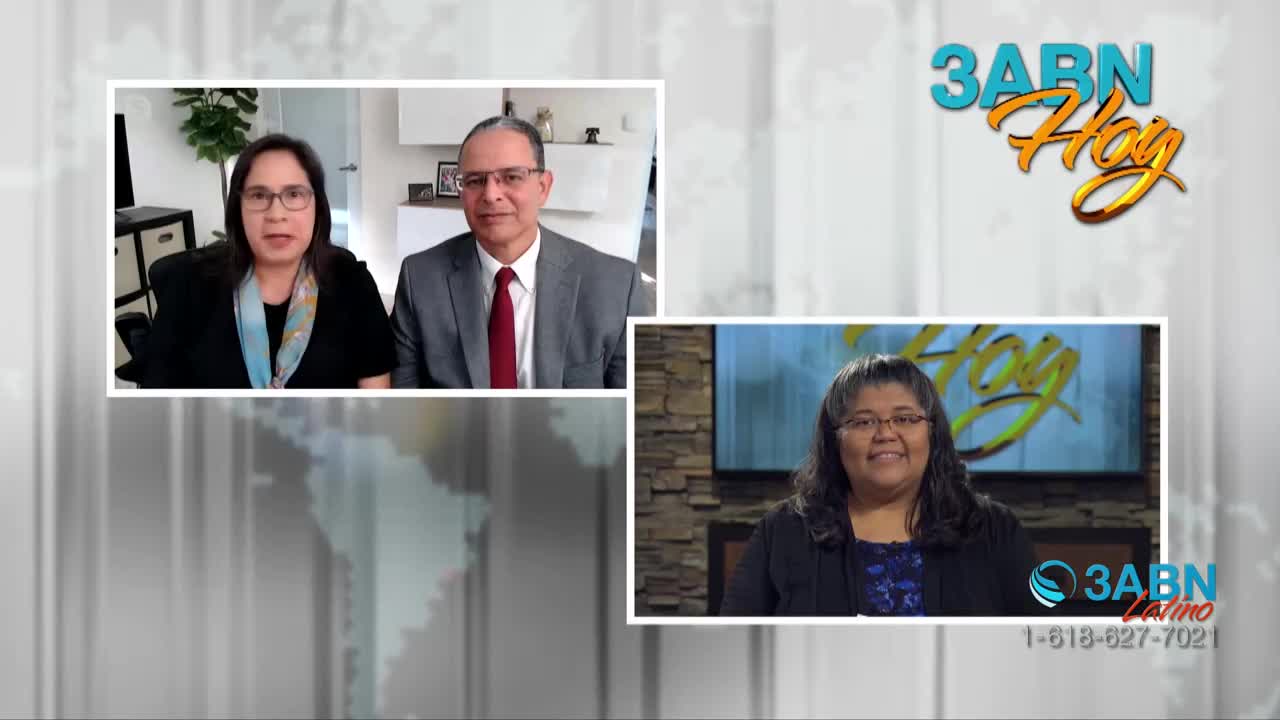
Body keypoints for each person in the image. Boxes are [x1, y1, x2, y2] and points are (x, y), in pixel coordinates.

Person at [720, 354, 1047, 616]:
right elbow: (734, 647)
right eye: (863, 422)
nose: (885, 434)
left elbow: (1042, 645)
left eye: (905, 418)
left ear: (932, 433)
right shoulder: (783, 532)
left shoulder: (994, 529)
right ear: (835, 440)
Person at [389, 116, 649, 389]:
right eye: (475, 180)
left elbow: (632, 409)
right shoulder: (419, 278)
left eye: (512, 177)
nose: (490, 194)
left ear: (543, 187)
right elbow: (405, 397)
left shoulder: (617, 286)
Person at [142, 134, 395, 389]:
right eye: (259, 196)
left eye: (294, 194)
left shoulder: (353, 283)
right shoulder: (188, 286)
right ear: (237, 208)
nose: (276, 214)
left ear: (317, 207)